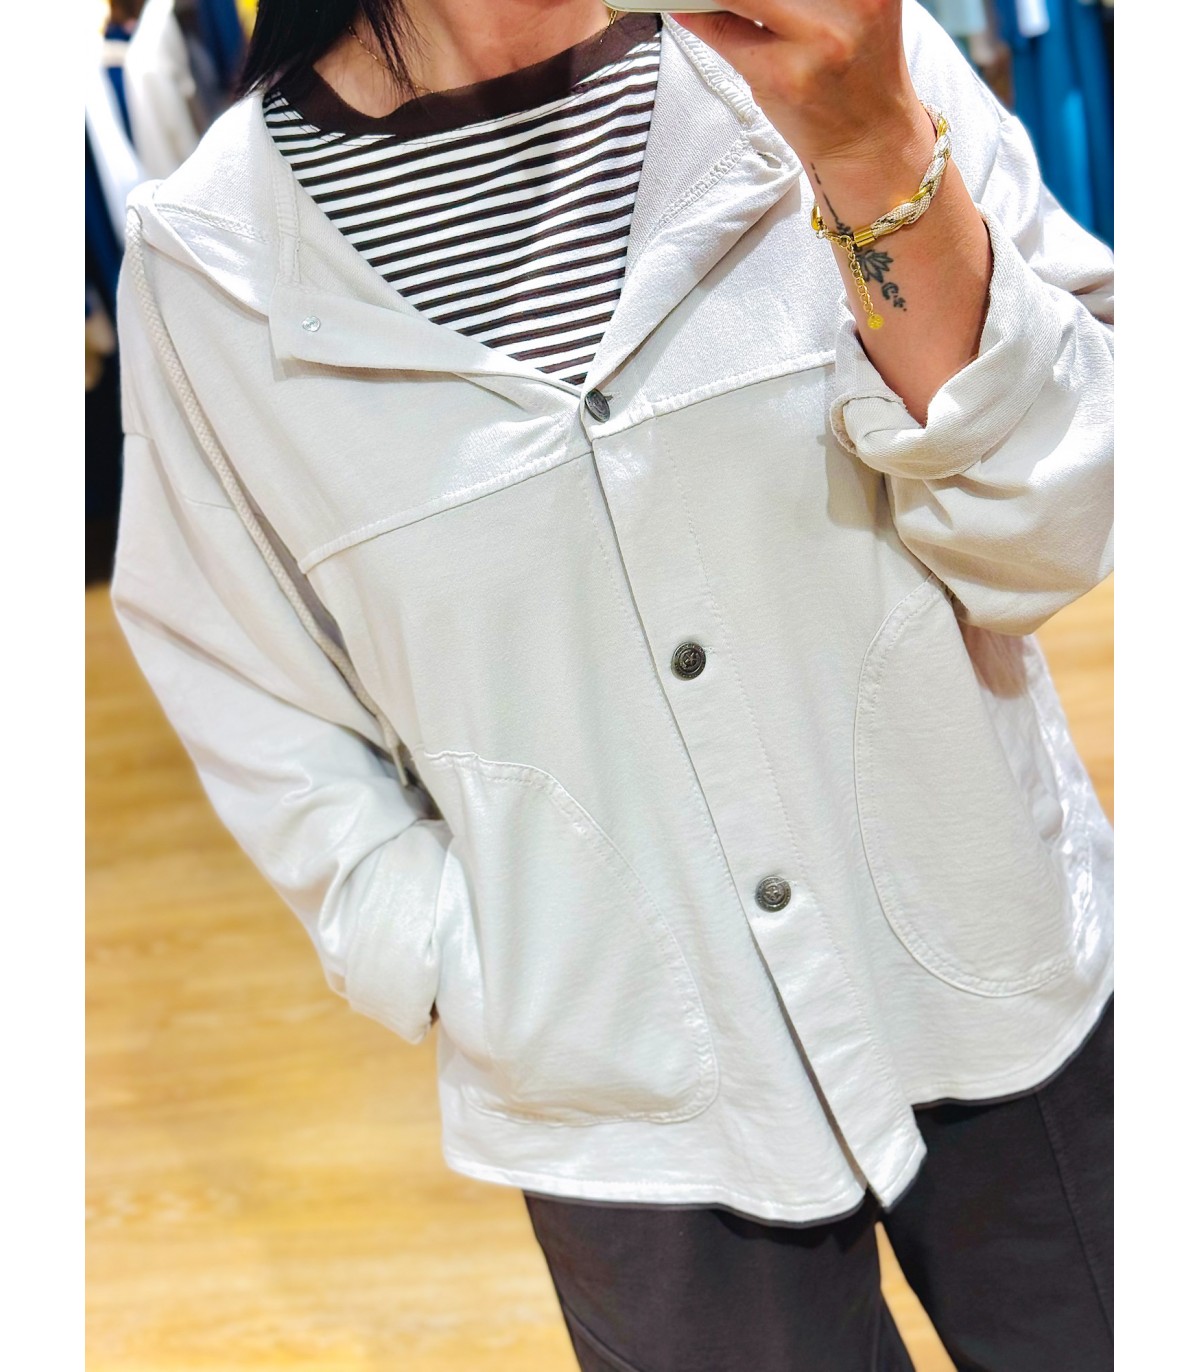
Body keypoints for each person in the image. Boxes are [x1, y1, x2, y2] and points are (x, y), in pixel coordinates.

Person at [110, 2, 1114, 1368]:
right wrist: (468, 962)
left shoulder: (838, 53)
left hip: (1007, 967)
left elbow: (1062, 525)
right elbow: (245, 683)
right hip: (633, 1108)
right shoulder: (211, 265)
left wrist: (875, 147)